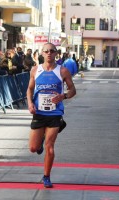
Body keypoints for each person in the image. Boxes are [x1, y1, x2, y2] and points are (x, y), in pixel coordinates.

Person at [26, 43, 76, 188]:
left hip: (55, 113)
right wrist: (30, 103)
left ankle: (46, 176)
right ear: (42, 53)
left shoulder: (63, 71)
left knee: (50, 146)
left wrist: (63, 96)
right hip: (39, 112)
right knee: (33, 148)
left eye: (52, 51)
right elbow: (29, 90)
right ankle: (39, 141)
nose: (49, 53)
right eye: (46, 51)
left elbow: (73, 90)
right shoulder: (35, 70)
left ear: (56, 53)